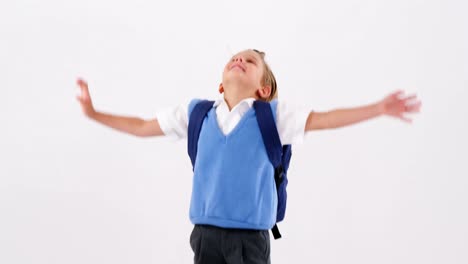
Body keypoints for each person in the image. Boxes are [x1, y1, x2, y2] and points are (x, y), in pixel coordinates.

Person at [76, 49, 421, 264]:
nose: (239, 60)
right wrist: (95, 114)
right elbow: (140, 126)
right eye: (234, 58)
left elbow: (325, 119)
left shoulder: (272, 116)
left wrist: (377, 109)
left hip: (249, 240)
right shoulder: (196, 113)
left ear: (264, 89)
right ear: (221, 84)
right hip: (205, 235)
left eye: (250, 61)